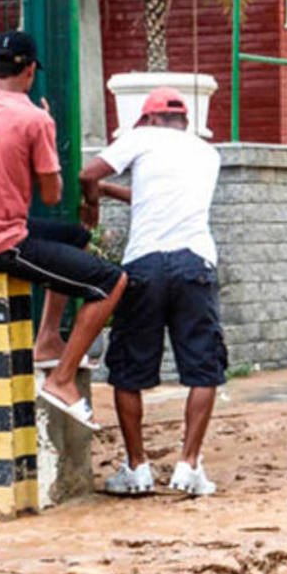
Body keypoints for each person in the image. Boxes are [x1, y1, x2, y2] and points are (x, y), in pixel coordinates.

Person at [0, 30, 127, 430]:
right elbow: (51, 193)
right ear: (30, 72)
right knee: (110, 281)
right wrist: (43, 127)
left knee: (75, 237)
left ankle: (47, 337)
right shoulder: (34, 119)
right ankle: (61, 380)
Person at [80, 87, 227, 496]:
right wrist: (114, 193)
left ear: (147, 119)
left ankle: (137, 467)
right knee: (204, 367)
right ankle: (188, 465)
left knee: (128, 371)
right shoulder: (207, 154)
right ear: (184, 123)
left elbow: (87, 173)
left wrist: (92, 204)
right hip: (195, 263)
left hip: (144, 266)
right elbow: (161, 198)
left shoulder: (140, 138)